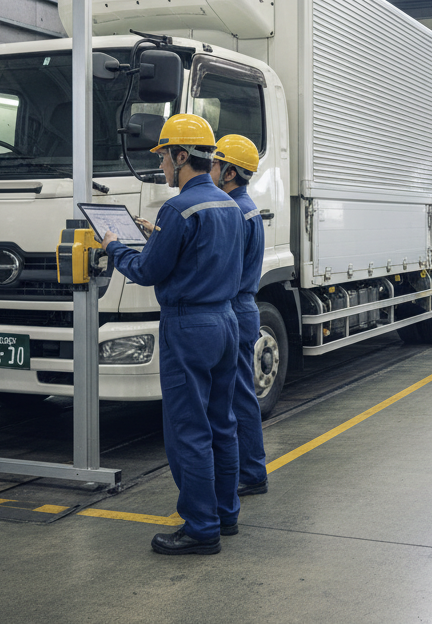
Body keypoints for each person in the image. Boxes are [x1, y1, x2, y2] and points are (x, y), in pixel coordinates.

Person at [102, 113, 244, 556]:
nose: (161, 165)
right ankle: (225, 514)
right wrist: (157, 236)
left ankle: (201, 528)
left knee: (189, 430)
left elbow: (147, 271)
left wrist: (113, 246)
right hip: (225, 321)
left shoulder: (177, 209)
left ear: (182, 156)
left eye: (164, 156)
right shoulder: (229, 205)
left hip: (188, 326)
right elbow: (201, 256)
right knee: (222, 423)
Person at [211, 134, 269, 497]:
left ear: (230, 173)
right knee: (240, 394)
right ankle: (250, 470)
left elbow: (219, 266)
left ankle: (251, 472)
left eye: (215, 164)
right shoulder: (246, 207)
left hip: (234, 307)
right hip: (244, 306)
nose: (209, 169)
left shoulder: (233, 211)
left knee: (238, 397)